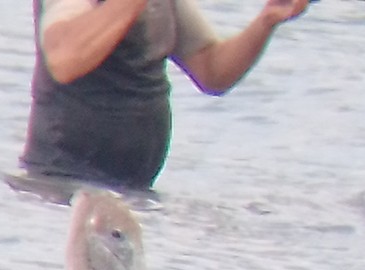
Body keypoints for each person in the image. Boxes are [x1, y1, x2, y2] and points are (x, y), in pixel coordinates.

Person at [21, 0, 310, 191]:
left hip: (133, 187)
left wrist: (267, 19)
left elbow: (212, 70)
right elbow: (64, 60)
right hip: (61, 181)